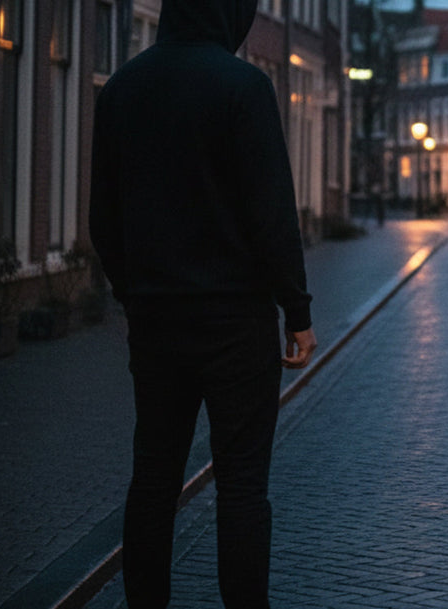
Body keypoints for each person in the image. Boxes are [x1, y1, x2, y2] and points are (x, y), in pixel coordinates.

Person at [89, 0, 317, 606]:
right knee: (242, 486)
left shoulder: (121, 91)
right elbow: (271, 215)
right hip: (236, 326)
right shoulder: (244, 87)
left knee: (154, 480)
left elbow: (103, 222)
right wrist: (297, 312)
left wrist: (135, 295)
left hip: (158, 322)